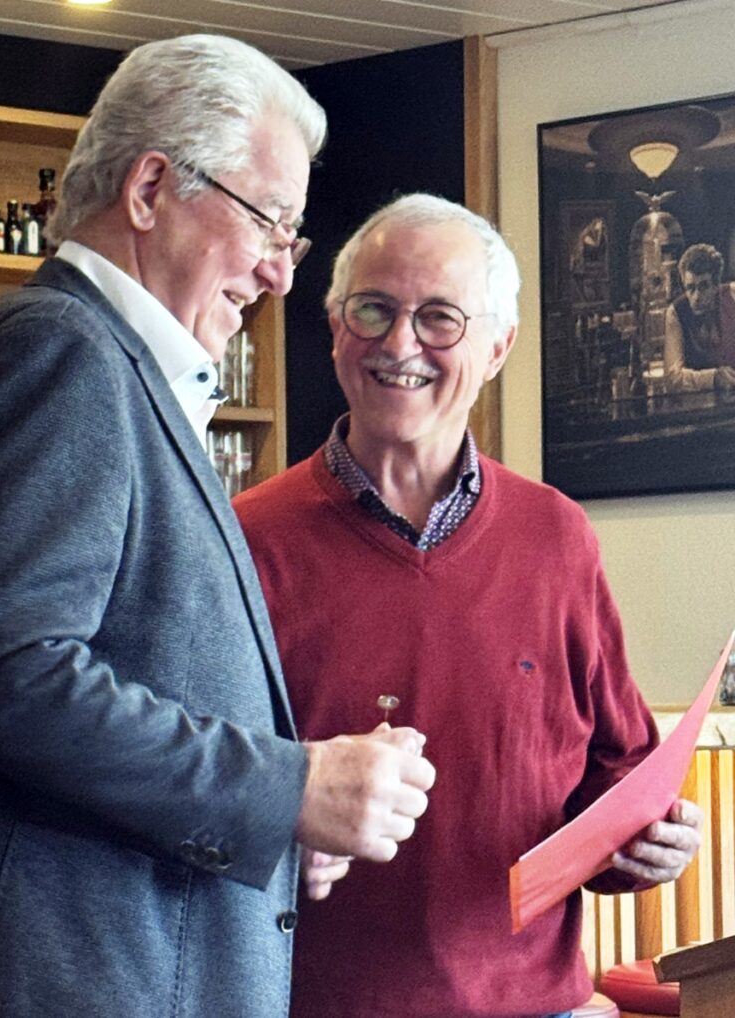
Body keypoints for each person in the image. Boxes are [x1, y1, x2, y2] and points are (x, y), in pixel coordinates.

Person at [0, 35, 436, 1018]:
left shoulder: (105, 364)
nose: (279, 273)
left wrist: (280, 822)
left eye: (291, 238)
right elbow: (9, 676)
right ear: (150, 189)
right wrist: (285, 788)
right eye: (269, 222)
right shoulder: (57, 352)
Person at [233, 193, 703, 1018]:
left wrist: (648, 845)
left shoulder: (556, 536)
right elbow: (196, 789)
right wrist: (278, 830)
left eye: (439, 319)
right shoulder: (244, 539)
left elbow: (620, 769)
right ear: (336, 328)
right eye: (373, 310)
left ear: (497, 348)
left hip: (534, 1006)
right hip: (312, 1006)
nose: (399, 345)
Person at [663, 242, 735, 392]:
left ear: (716, 286)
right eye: (690, 288)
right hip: (698, 402)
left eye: (703, 286)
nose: (696, 297)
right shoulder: (676, 312)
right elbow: (672, 378)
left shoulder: (732, 297)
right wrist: (713, 378)